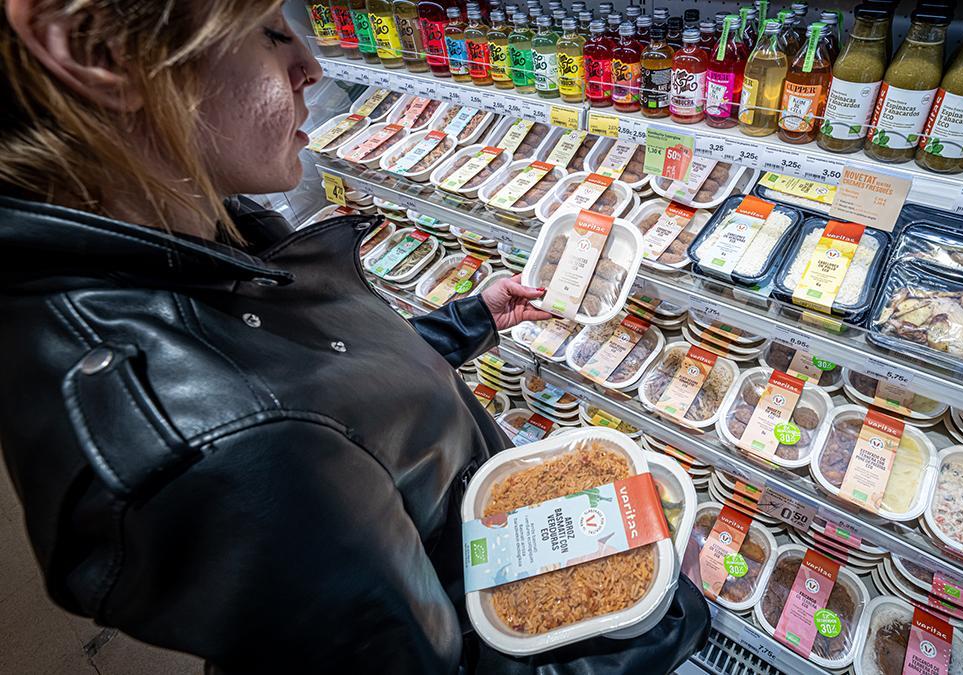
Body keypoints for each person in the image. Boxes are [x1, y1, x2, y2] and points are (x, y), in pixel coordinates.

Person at [0, 1, 709, 673]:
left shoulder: (180, 234)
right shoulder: (213, 446)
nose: (310, 63)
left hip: (490, 537)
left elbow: (334, 397)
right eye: (270, 31)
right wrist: (660, 612)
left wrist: (470, 321)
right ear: (101, 50)